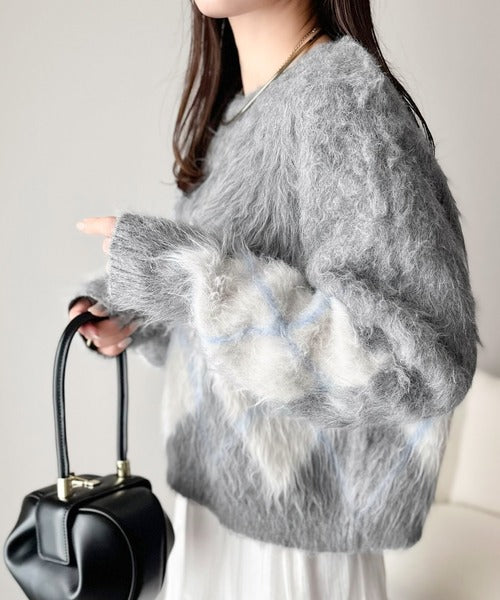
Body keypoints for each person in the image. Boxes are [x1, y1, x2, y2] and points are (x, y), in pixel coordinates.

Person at [67, 1, 480, 598]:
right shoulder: (247, 109)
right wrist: (140, 309)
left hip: (292, 553)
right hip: (217, 518)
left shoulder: (339, 103)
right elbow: (257, 301)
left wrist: (189, 278)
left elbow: (415, 361)